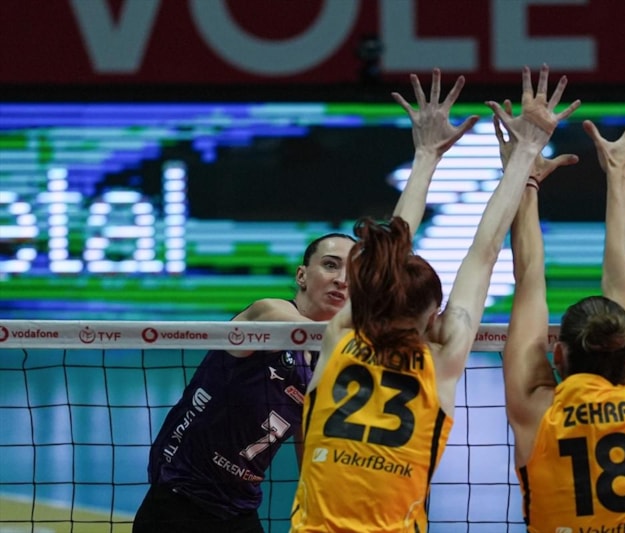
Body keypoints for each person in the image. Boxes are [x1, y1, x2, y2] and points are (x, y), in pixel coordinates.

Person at [132, 69, 479, 533]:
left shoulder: (329, 356)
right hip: (179, 496)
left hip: (238, 506)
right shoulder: (269, 316)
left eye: (352, 272)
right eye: (329, 266)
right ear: (302, 275)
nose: (341, 279)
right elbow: (293, 323)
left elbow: (311, 436)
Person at [289, 64, 581, 533]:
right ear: (431, 317)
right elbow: (484, 252)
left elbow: (395, 242)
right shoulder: (440, 361)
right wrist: (527, 150)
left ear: (372, 293)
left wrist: (425, 154)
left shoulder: (342, 335)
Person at [501, 97, 625, 532]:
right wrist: (620, 177)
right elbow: (621, 281)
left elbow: (528, 280)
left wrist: (525, 179)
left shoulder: (536, 409)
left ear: (558, 354)